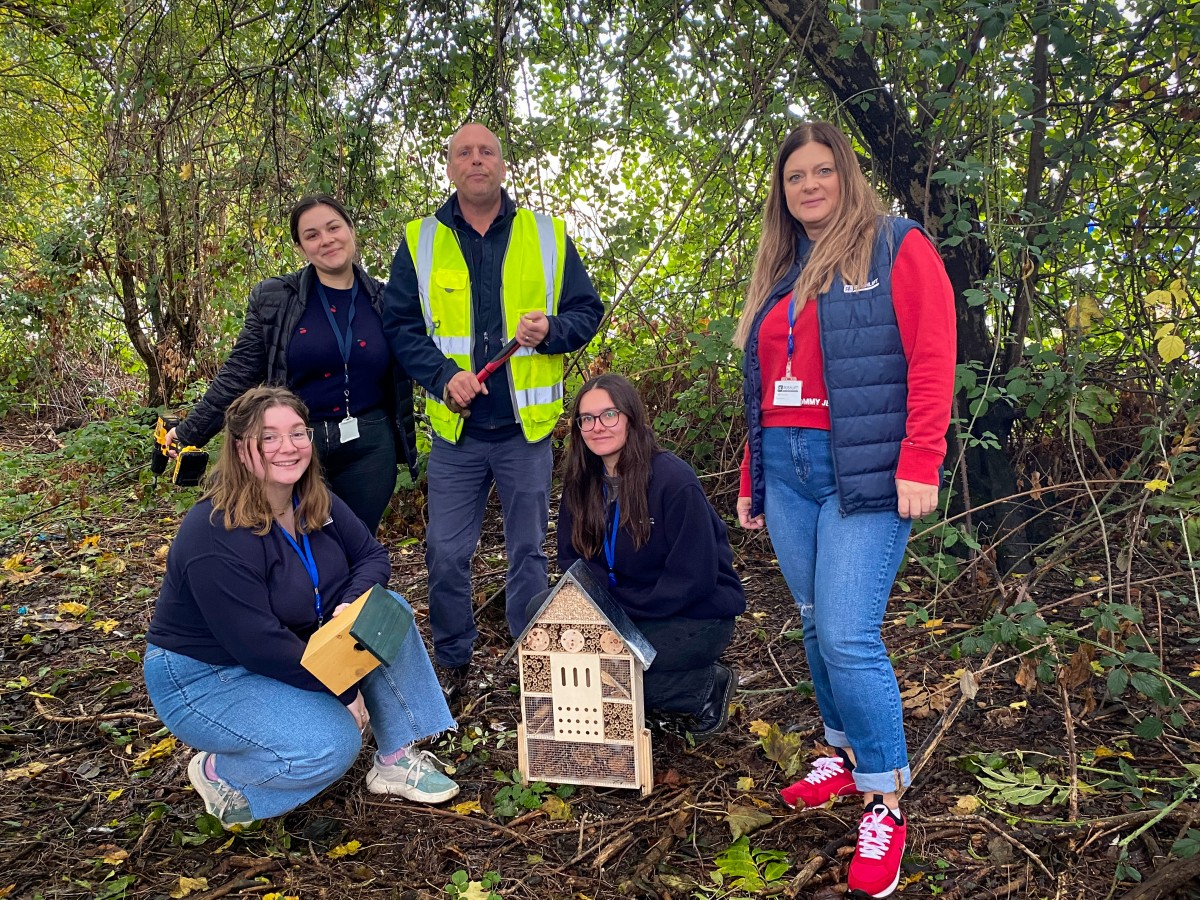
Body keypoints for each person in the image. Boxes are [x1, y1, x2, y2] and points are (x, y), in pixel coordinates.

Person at [735, 122, 955, 899]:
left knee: (848, 632)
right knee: (806, 616)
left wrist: (921, 458)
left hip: (862, 470)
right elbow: (764, 385)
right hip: (788, 472)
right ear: (783, 193)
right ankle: (842, 752)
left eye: (823, 171)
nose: (810, 186)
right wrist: (752, 477)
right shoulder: (780, 265)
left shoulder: (897, 245)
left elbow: (933, 352)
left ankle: (885, 799)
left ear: (847, 175)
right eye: (796, 177)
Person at [143, 386, 458, 828]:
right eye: (269, 437)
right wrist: (343, 692)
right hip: (204, 676)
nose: (287, 447)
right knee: (331, 744)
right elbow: (257, 643)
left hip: (289, 644)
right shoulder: (214, 530)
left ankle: (395, 758)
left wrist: (350, 604)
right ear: (240, 448)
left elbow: (372, 557)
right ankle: (223, 774)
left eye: (297, 433)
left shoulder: (312, 499)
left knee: (387, 612)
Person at [382, 123, 603, 701]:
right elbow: (399, 327)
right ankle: (454, 661)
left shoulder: (547, 235)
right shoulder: (420, 240)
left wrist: (552, 329)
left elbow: (586, 311)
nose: (476, 160)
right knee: (446, 552)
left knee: (529, 552)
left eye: (487, 151)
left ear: (503, 166)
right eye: (464, 152)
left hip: (524, 434)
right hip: (457, 434)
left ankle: (532, 662)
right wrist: (440, 376)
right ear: (450, 167)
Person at [162, 195, 418, 534]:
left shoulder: (387, 301)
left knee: (354, 544)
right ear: (300, 247)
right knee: (292, 541)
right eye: (311, 235)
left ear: (351, 231)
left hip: (369, 448)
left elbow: (423, 355)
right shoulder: (277, 299)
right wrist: (192, 429)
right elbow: (241, 371)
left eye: (333, 227)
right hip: (294, 443)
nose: (326, 240)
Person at [533, 373, 745, 740]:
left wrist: (621, 624)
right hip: (619, 610)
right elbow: (573, 563)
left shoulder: (674, 480)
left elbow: (694, 577)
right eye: (587, 419)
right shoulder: (581, 482)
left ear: (631, 417)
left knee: (611, 675)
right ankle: (623, 670)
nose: (597, 426)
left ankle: (705, 687)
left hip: (689, 615)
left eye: (608, 415)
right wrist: (600, 619)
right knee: (537, 611)